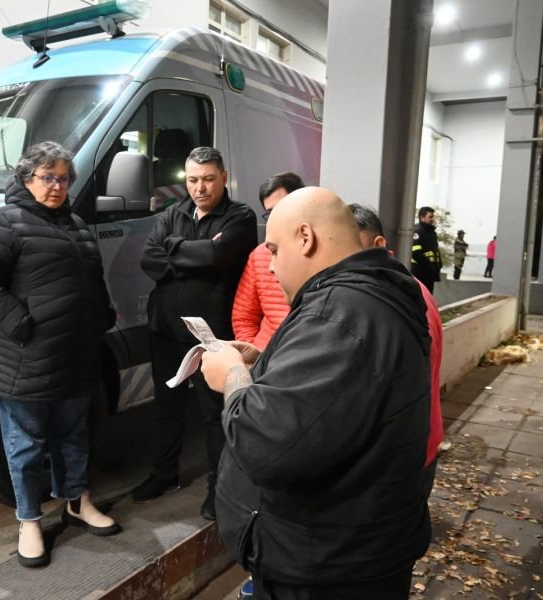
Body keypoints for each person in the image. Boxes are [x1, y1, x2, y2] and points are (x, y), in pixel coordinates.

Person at [203, 188, 431, 599]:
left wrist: (233, 375)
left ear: (305, 238)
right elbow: (334, 401)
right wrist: (265, 364)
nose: (270, 267)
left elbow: (261, 441)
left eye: (273, 249)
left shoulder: (338, 314)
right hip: (353, 551)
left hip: (326, 568)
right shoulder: (371, 295)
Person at [0, 141, 121, 569]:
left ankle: (76, 500)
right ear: (26, 178)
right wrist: (22, 326)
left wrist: (103, 314)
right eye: (47, 177)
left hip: (76, 355)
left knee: (75, 436)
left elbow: (93, 279)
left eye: (63, 178)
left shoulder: (76, 224)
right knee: (25, 446)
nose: (56, 186)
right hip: (25, 359)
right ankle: (29, 520)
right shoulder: (3, 221)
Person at [133, 146, 257, 521]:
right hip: (165, 328)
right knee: (166, 408)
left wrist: (177, 250)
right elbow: (149, 259)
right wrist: (193, 253)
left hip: (211, 336)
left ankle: (218, 487)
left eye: (207, 179)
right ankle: (164, 474)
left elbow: (218, 258)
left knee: (212, 413)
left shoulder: (240, 216)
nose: (199, 188)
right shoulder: (173, 213)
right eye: (191, 180)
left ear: (223, 177)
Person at [350, 203, 443, 500]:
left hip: (398, 459)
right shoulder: (402, 288)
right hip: (416, 446)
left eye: (352, 249)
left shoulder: (389, 300)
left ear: (379, 244)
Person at [231, 172, 304, 350]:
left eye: (282, 208)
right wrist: (254, 353)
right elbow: (243, 316)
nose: (276, 218)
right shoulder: (259, 255)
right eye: (270, 213)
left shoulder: (323, 253)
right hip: (266, 357)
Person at [411, 206, 443, 292]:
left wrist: (438, 264)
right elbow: (415, 253)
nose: (432, 219)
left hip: (429, 272)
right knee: (421, 297)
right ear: (422, 217)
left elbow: (435, 250)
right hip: (419, 272)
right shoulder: (418, 231)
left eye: (433, 216)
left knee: (428, 296)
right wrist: (429, 265)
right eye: (430, 217)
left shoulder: (432, 233)